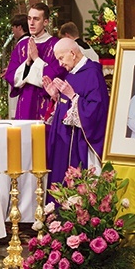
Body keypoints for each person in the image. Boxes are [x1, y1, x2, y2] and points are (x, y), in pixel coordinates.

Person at [42, 38, 109, 187]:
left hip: (80, 145)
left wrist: (72, 96)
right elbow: (66, 107)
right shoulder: (71, 74)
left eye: (61, 58)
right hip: (64, 142)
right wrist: (56, 97)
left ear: (72, 53)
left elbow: (96, 111)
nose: (60, 64)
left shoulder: (92, 73)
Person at [3, 2, 66, 120]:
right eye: (29, 18)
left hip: (46, 102)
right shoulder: (21, 45)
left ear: (46, 22)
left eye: (36, 19)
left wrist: (36, 59)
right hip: (25, 102)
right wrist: (27, 62)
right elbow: (11, 75)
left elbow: (56, 76)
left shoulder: (56, 45)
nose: (31, 23)